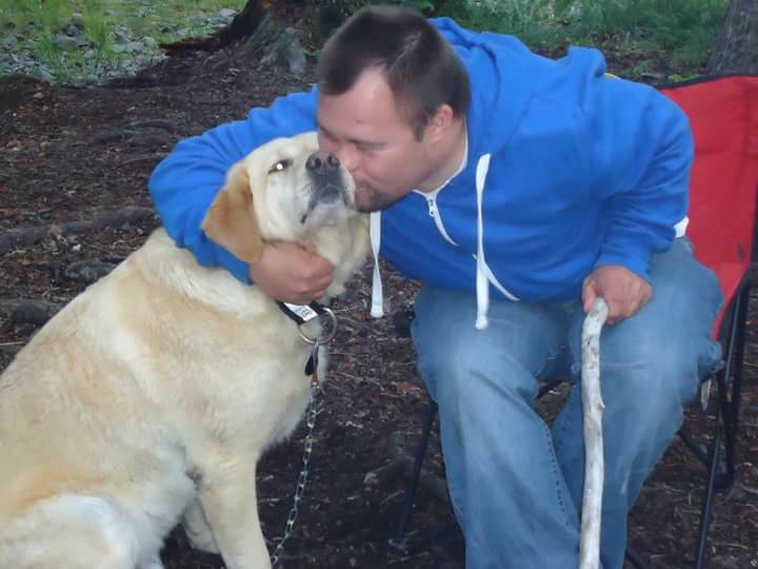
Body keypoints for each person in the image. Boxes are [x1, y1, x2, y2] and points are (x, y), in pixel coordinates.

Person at [148, 5, 724, 568]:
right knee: (465, 368)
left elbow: (665, 132)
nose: (339, 166)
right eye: (329, 138)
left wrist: (626, 251)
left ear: (440, 123)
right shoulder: (353, 115)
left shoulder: (555, 116)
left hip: (619, 267)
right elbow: (186, 165)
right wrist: (252, 258)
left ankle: (558, 539)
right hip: (479, 292)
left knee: (650, 369)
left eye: (367, 150)